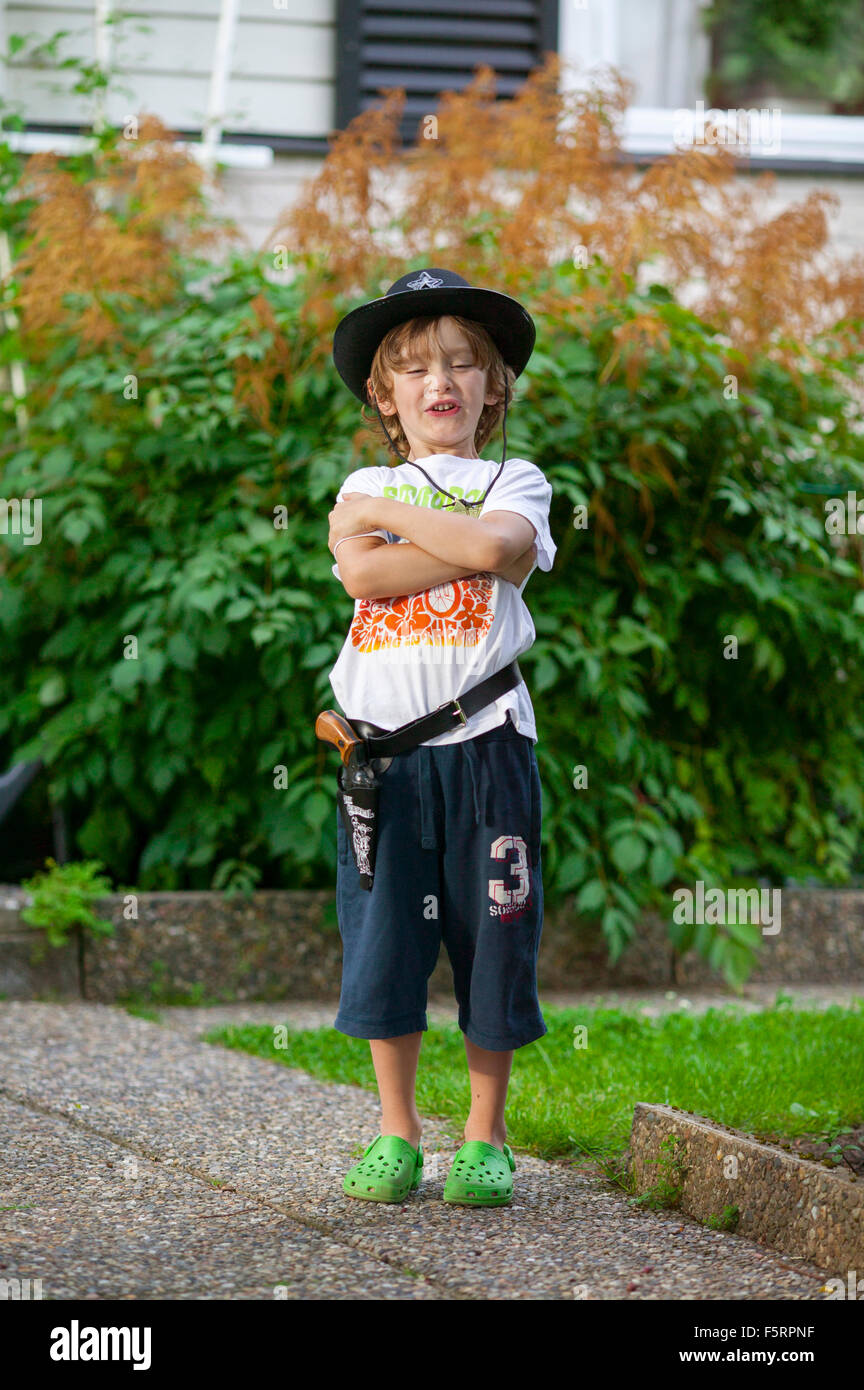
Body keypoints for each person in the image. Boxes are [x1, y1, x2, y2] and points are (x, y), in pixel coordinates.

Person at [326, 267, 557, 1206]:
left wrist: (387, 528)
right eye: (417, 370)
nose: (442, 383)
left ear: (493, 387)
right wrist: (440, 541)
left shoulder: (516, 479)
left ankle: (484, 1134)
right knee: (383, 941)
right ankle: (396, 1131)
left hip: (488, 748)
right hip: (384, 761)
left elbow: (502, 551)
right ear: (387, 395)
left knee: (495, 936)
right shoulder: (364, 479)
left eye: (464, 364)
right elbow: (363, 583)